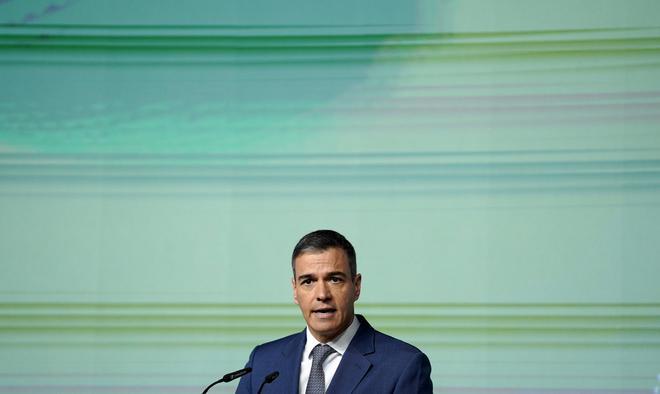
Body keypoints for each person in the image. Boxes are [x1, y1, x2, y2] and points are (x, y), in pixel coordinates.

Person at [235, 229, 433, 393]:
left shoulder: (404, 366)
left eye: (334, 279)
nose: (322, 294)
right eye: (308, 281)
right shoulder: (262, 362)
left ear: (356, 286)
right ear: (295, 290)